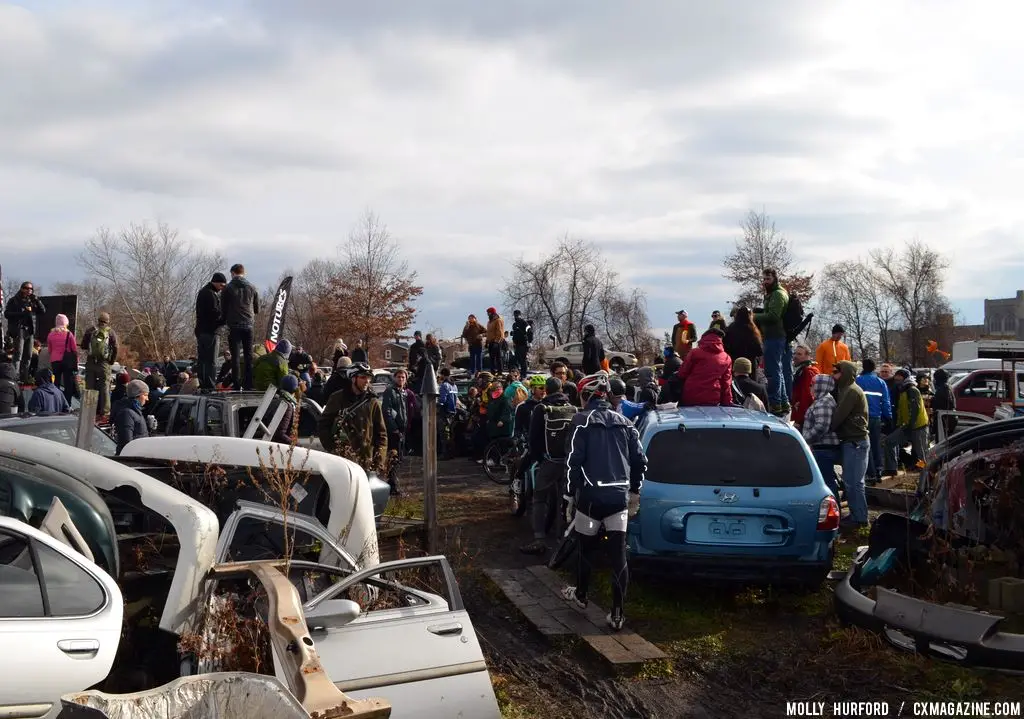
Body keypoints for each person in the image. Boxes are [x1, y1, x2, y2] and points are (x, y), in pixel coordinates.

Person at [560, 372, 647, 632]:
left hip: (590, 496)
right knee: (618, 555)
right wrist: (634, 491)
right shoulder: (626, 422)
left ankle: (582, 595)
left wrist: (568, 494)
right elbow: (640, 461)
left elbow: (573, 462)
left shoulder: (581, 421)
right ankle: (618, 614)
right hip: (619, 497)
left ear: (587, 395)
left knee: (586, 549)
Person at [520, 376, 574, 555]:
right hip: (567, 463)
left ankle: (539, 539)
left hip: (549, 461)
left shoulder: (541, 408)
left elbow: (533, 439)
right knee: (563, 500)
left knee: (539, 498)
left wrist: (539, 458)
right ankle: (561, 537)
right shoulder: (571, 408)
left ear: (547, 390)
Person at [317, 363, 388, 474]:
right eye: (363, 377)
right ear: (353, 378)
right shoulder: (337, 398)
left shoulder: (372, 401)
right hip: (342, 461)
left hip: (366, 462)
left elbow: (381, 434)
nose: (367, 381)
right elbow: (323, 426)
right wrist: (333, 449)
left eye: (369, 378)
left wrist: (378, 461)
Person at [829, 361, 870, 528]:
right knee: (851, 481)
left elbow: (838, 416)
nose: (833, 375)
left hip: (855, 442)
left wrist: (827, 427)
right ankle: (857, 515)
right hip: (852, 440)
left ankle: (859, 518)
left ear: (844, 373)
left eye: (836, 372)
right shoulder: (845, 389)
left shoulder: (851, 391)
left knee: (854, 482)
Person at [754, 268, 792, 417]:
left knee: (773, 370)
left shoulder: (778, 294)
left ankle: (775, 403)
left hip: (775, 336)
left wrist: (754, 316)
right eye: (763, 279)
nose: (765, 282)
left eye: (768, 279)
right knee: (777, 370)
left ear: (775, 279)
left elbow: (774, 316)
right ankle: (782, 402)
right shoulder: (771, 294)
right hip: (772, 336)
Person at [882, 368, 929, 475]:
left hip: (918, 426)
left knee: (921, 453)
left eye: (899, 380)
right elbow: (902, 410)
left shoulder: (912, 390)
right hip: (906, 426)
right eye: (896, 380)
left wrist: (909, 426)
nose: (897, 382)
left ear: (905, 379)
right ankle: (891, 469)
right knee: (889, 442)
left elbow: (915, 409)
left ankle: (924, 474)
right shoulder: (902, 390)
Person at [802, 374, 842, 498]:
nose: (810, 387)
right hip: (822, 448)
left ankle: (834, 513)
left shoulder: (824, 402)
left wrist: (804, 439)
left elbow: (821, 426)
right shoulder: (822, 400)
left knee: (826, 482)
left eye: (812, 384)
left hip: (824, 448)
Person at [222, 264, 260, 390]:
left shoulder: (228, 288)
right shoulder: (252, 287)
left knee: (235, 357)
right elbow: (257, 309)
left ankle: (237, 385)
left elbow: (223, 308)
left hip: (234, 325)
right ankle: (248, 384)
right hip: (249, 324)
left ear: (232, 273)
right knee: (249, 356)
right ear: (244, 273)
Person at [855, 359, 892, 485]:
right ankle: (879, 470)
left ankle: (870, 473)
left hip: (862, 418)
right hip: (876, 418)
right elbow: (886, 402)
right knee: (876, 444)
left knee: (866, 446)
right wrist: (888, 417)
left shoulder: (858, 381)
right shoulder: (880, 382)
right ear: (874, 368)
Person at [677, 329, 732, 407]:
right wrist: (727, 402)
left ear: (703, 338)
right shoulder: (726, 358)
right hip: (713, 397)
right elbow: (726, 383)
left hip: (690, 394)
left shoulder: (694, 353)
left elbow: (682, 374)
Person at [4, 281, 45, 382]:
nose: (29, 290)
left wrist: (37, 300)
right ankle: (14, 378)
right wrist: (21, 313)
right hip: (19, 329)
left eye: (31, 289)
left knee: (28, 356)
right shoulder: (14, 300)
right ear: (22, 289)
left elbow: (42, 311)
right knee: (18, 355)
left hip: (29, 331)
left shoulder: (32, 301)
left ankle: (24, 378)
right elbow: (7, 314)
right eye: (27, 288)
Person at [82, 312, 119, 418]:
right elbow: (116, 347)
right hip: (104, 363)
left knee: (90, 388)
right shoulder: (111, 332)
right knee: (105, 388)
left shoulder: (90, 330)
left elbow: (84, 346)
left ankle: (89, 411)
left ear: (98, 320)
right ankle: (105, 412)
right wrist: (111, 361)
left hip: (91, 362)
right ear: (107, 321)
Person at [381, 368, 409, 495]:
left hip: (402, 429)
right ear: (394, 378)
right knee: (393, 457)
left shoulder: (403, 392)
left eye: (403, 377)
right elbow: (387, 412)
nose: (401, 379)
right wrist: (394, 429)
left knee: (398, 459)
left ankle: (393, 484)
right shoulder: (390, 391)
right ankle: (392, 485)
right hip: (394, 431)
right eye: (399, 377)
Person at [47, 313, 79, 404]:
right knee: (68, 383)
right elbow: (74, 349)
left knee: (55, 382)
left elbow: (50, 350)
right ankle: (67, 403)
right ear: (65, 323)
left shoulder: (50, 335)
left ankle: (56, 402)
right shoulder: (69, 334)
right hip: (67, 361)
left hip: (55, 361)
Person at [112, 380, 150, 455]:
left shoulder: (135, 411)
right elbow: (126, 443)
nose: (147, 399)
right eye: (145, 395)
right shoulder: (127, 413)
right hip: (131, 460)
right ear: (137, 395)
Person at [723, 307, 763, 372]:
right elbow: (759, 349)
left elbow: (726, 344)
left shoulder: (731, 328)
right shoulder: (752, 329)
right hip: (750, 362)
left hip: (736, 361)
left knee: (738, 380)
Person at [790, 344, 819, 430]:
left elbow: (807, 397)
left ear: (807, 356)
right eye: (794, 353)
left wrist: (798, 420)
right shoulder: (801, 370)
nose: (795, 356)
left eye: (799, 354)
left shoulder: (808, 371)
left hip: (804, 420)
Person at [271, 374, 300, 445]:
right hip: (282, 447)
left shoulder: (275, 400)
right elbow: (280, 434)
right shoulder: (287, 406)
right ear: (295, 389)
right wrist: (295, 445)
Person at [930, 368, 957, 442]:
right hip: (949, 419)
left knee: (941, 443)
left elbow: (939, 404)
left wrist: (932, 400)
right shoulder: (948, 387)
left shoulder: (942, 389)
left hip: (944, 420)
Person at [510, 310, 533, 376]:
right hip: (516, 345)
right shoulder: (514, 324)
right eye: (515, 315)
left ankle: (523, 375)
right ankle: (516, 374)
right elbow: (515, 333)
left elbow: (530, 332)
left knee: (523, 360)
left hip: (523, 344)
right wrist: (513, 335)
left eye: (517, 315)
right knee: (516, 360)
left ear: (520, 315)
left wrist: (530, 341)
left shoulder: (524, 323)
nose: (516, 316)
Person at [485, 308, 505, 373]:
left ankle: (500, 371)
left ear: (493, 313)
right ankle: (492, 371)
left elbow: (500, 332)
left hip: (497, 342)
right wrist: (487, 342)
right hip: (491, 342)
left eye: (489, 313)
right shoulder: (489, 322)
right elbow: (489, 333)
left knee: (498, 357)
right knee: (491, 358)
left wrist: (496, 342)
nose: (488, 314)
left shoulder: (498, 320)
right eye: (487, 313)